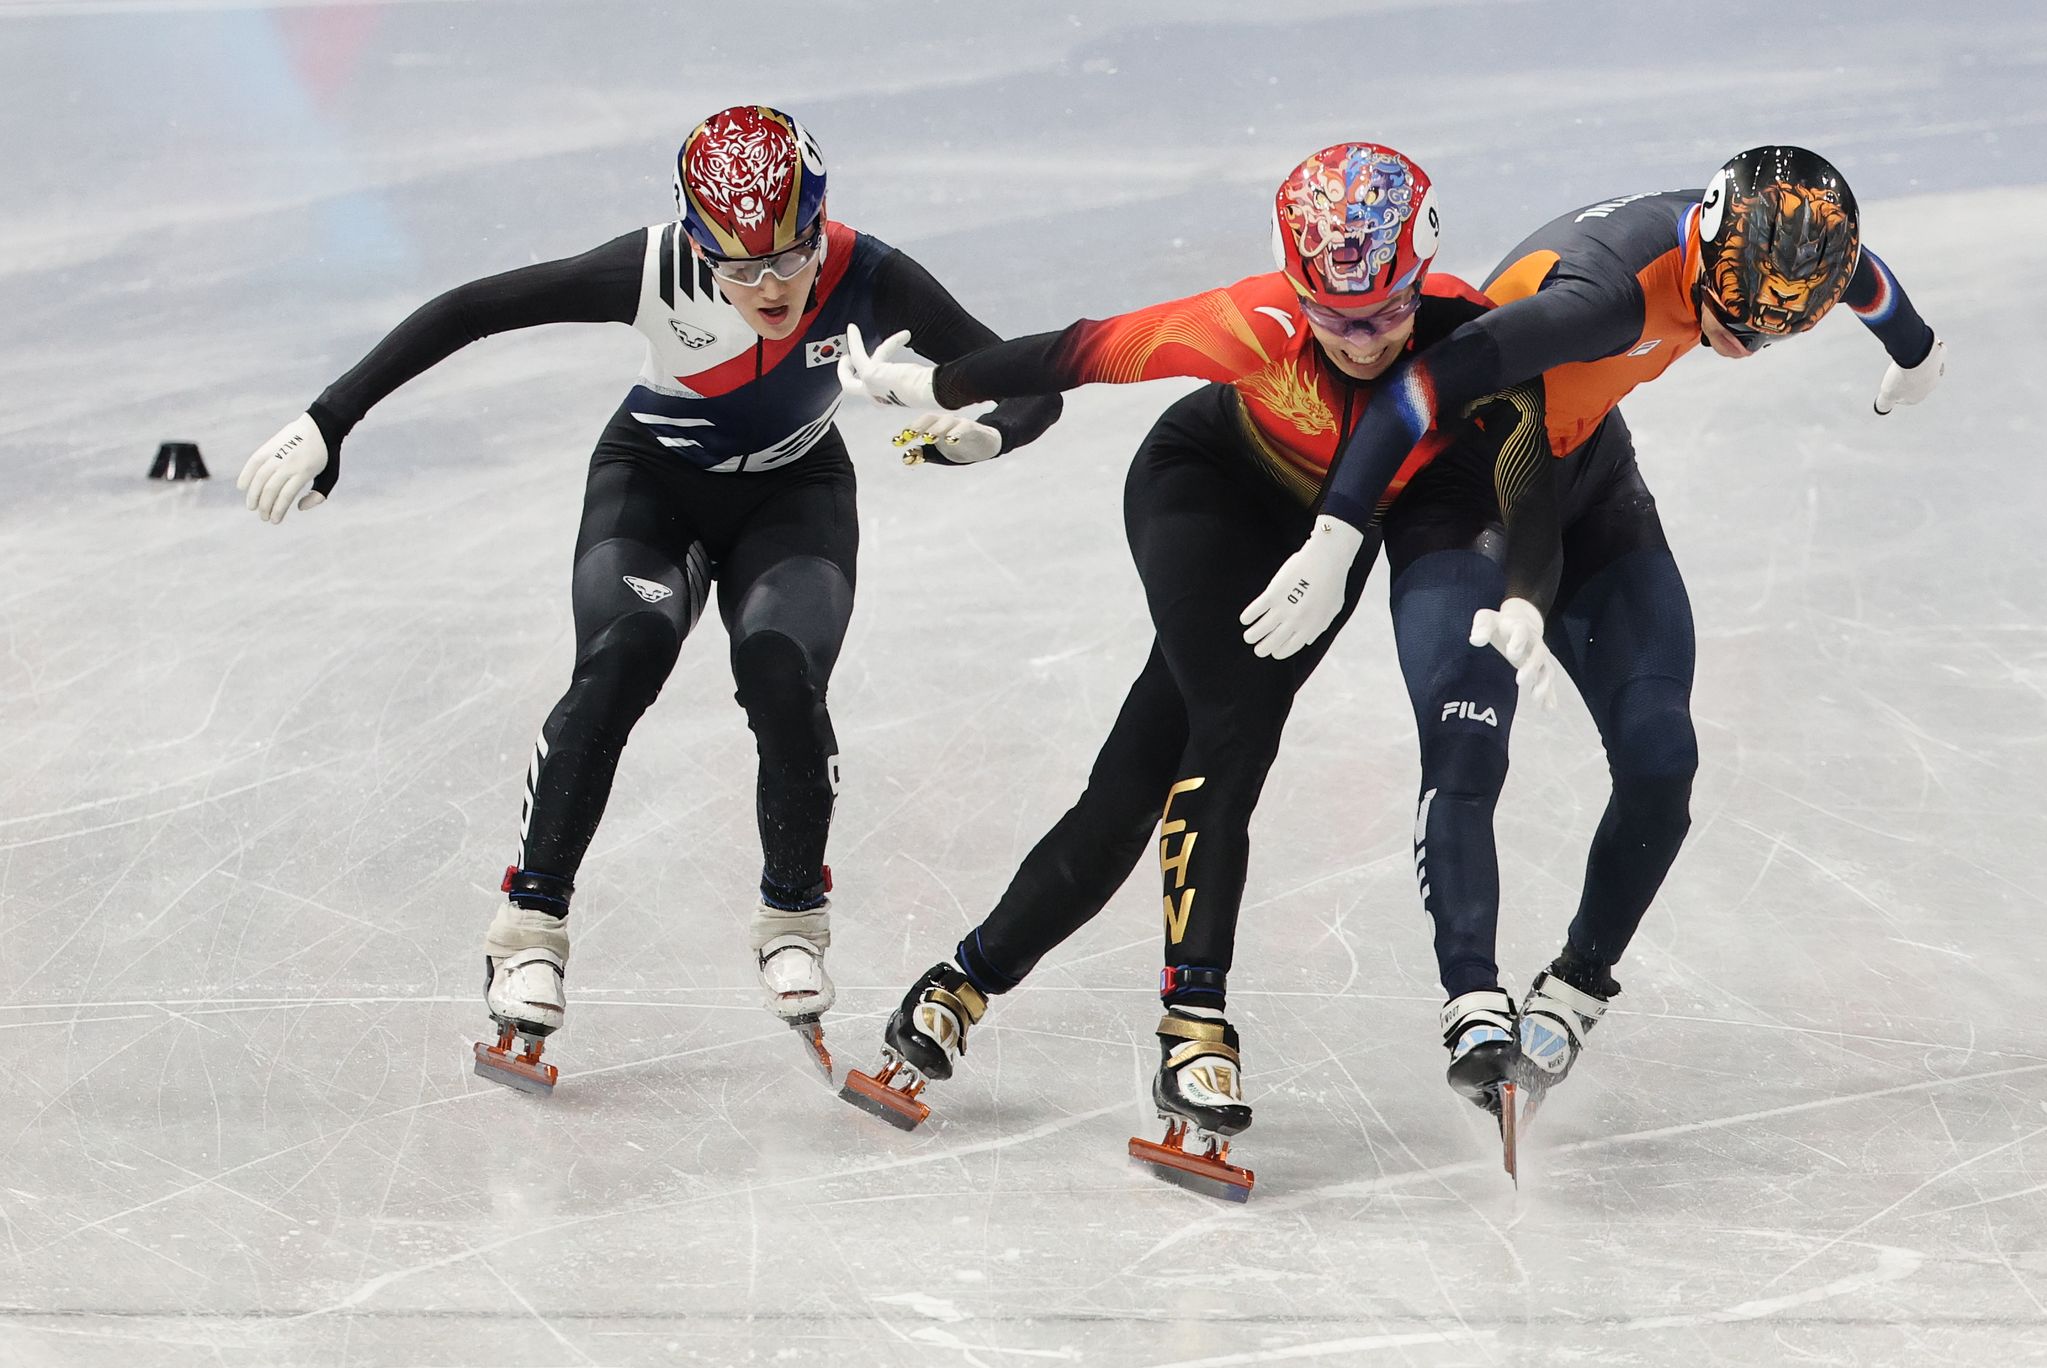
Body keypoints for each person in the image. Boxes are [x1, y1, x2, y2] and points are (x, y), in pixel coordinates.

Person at [235, 104, 1060, 1093]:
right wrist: (332, 419)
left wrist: (981, 431)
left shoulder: (870, 274)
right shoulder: (653, 267)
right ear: (695, 241)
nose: (771, 287)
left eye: (789, 257)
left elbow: (1034, 382)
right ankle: (529, 924)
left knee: (780, 670)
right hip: (652, 488)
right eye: (738, 267)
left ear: (821, 222)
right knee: (622, 658)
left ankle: (793, 915)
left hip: (795, 498)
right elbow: (471, 307)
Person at [836, 142, 1560, 1196]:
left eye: (1385, 312)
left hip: (1325, 547)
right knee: (1231, 728)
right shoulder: (1254, 322)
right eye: (1333, 313)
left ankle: (958, 982)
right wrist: (932, 380)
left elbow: (1527, 471)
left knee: (1134, 783)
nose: (1360, 340)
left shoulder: (1475, 336)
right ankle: (1194, 1021)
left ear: (1424, 273)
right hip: (1203, 493)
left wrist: (1529, 591)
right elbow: (1079, 350)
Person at [1235, 145, 1945, 1125]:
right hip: (1460, 495)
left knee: (1662, 755)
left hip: (1585, 474)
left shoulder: (1767, 249)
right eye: (1728, 325)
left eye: (1766, 334)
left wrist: (1914, 347)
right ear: (1700, 249)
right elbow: (1419, 385)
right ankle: (1472, 1001)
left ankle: (1573, 989)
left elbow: (1859, 272)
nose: (1740, 345)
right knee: (1467, 738)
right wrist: (1334, 529)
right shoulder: (1598, 301)